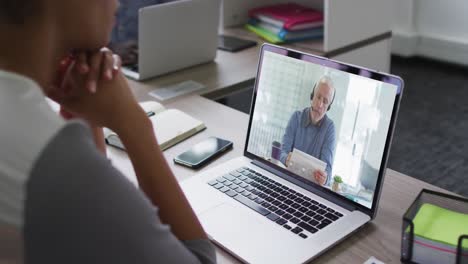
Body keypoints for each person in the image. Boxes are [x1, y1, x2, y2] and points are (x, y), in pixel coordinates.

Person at [0, 1, 215, 263]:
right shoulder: (48, 158)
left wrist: (81, 111)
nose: (118, 2)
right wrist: (133, 124)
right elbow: (197, 258)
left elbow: (90, 227)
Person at [279, 76, 337, 186]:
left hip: (310, 189)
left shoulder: (330, 129)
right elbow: (282, 152)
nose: (320, 105)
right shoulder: (296, 117)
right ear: (312, 97)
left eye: (325, 101)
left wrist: (324, 179)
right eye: (318, 97)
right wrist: (286, 159)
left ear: (328, 107)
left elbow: (328, 172)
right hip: (288, 181)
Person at [109, 0, 174, 65]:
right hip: (106, 60)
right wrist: (111, 49)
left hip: (147, 61)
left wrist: (145, 49)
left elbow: (175, 22)